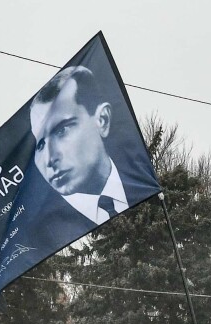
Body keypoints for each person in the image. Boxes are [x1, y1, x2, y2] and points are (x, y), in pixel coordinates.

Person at [27, 65, 158, 242]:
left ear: (102, 120)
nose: (50, 158)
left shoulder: (142, 181)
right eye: (40, 144)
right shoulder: (45, 236)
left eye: (62, 130)